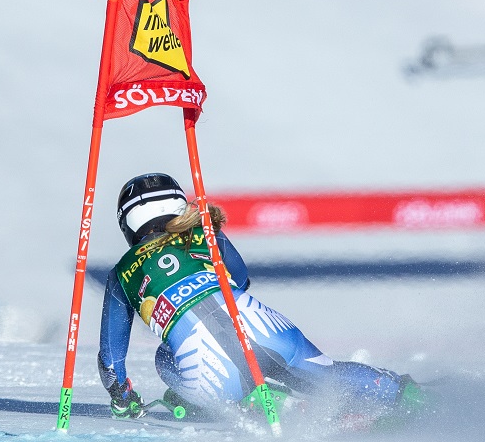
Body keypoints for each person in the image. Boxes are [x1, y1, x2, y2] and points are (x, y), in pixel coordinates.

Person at [98, 173, 425, 420]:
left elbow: (111, 360)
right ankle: (403, 394)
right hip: (267, 330)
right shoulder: (204, 233)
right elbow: (240, 276)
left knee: (165, 357)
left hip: (209, 373)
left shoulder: (121, 274)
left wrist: (122, 398)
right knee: (326, 374)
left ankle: (271, 404)